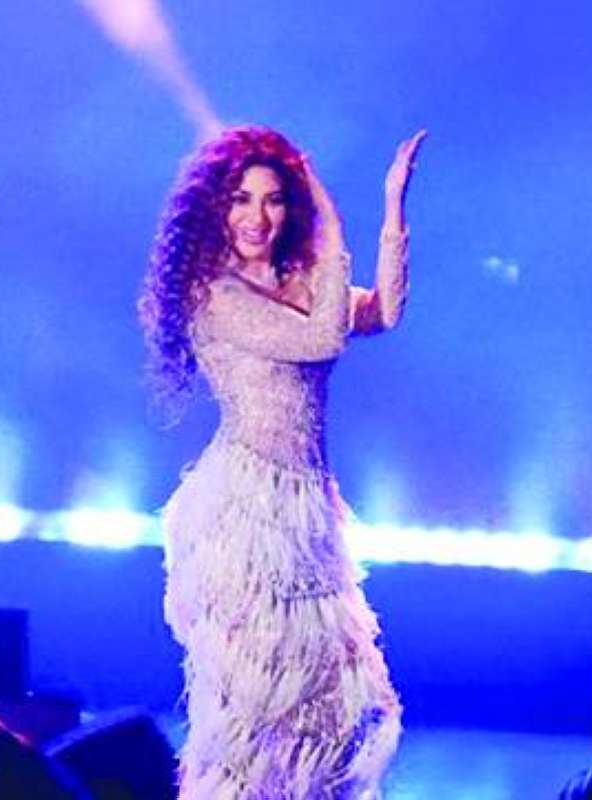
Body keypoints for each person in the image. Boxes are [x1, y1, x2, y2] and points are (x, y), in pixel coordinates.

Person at [139, 124, 426, 799]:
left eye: (272, 200)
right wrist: (333, 225)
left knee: (323, 711)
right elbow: (322, 339)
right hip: (244, 516)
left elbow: (382, 312)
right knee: (253, 714)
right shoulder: (213, 294)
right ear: (216, 207)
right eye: (240, 199)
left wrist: (392, 204)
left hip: (307, 516)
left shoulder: (300, 281)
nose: (256, 217)